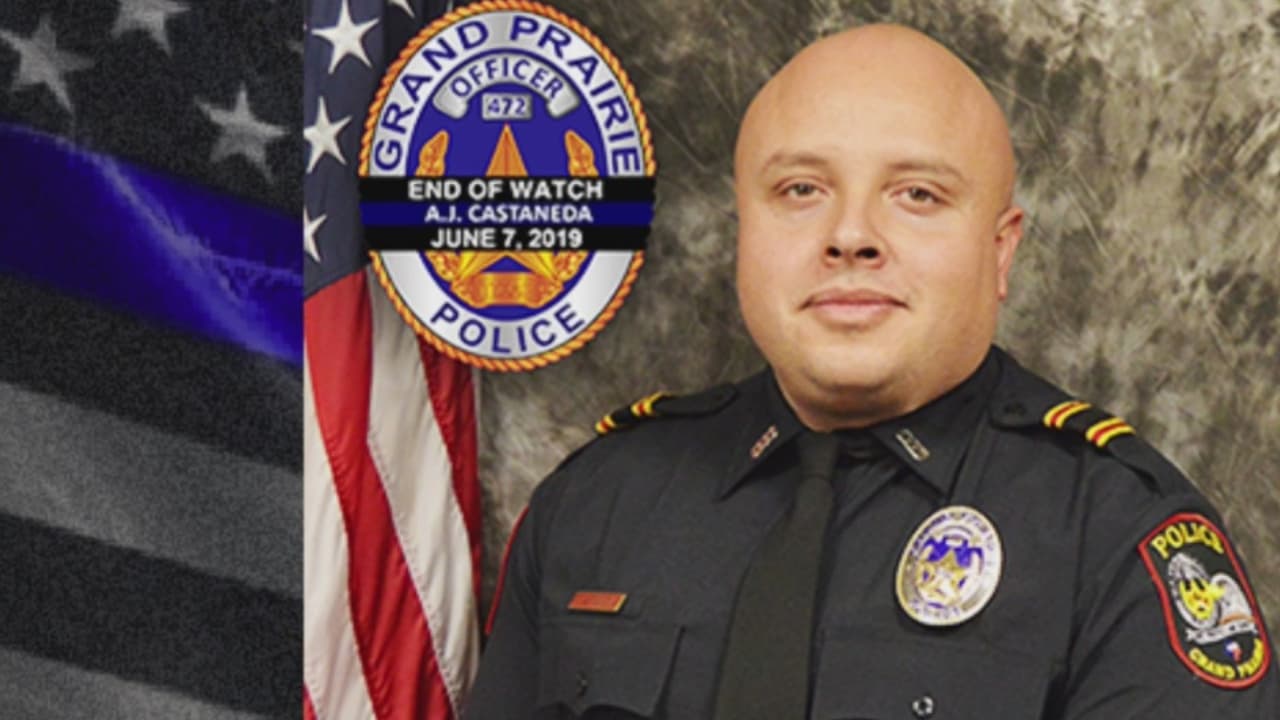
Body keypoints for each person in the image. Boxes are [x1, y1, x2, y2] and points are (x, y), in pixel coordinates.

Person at [463, 23, 1279, 718]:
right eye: (800, 189)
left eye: (917, 194)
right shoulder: (598, 503)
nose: (850, 235)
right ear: (743, 231)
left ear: (1001, 250)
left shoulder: (1119, 537)